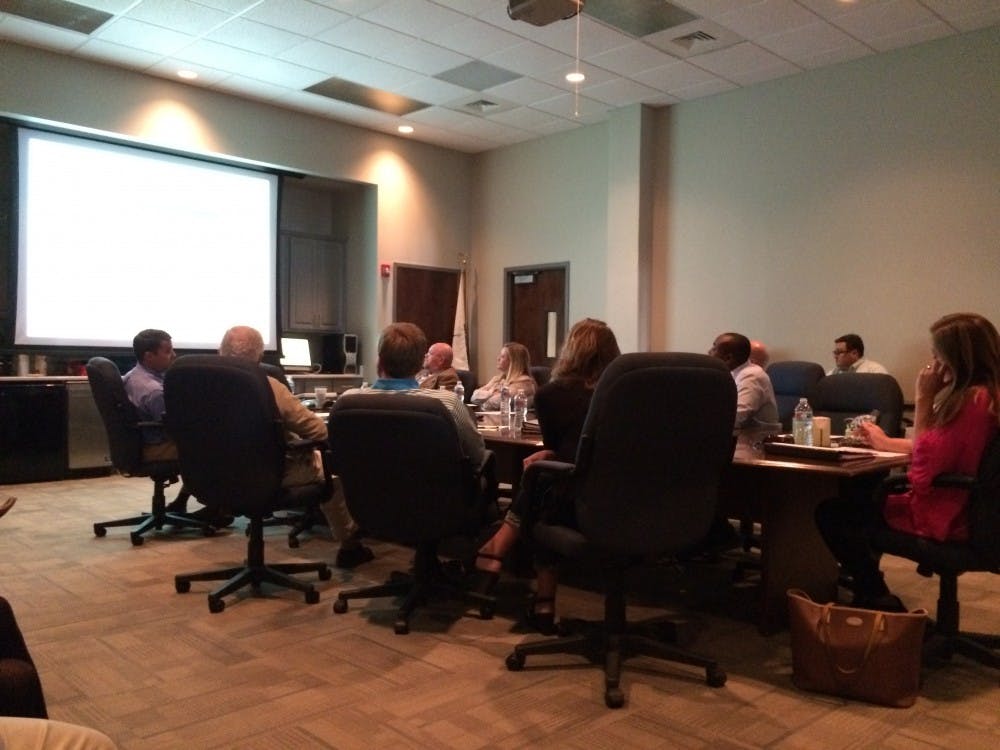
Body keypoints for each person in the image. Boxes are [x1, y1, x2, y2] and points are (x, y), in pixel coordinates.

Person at [815, 313, 1000, 611]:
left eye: (936, 353)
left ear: (954, 358)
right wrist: (887, 443)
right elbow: (949, 451)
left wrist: (923, 399)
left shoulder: (969, 402)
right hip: (982, 515)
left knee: (833, 512)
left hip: (953, 519)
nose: (932, 361)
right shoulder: (989, 398)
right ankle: (869, 591)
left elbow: (923, 474)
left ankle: (879, 598)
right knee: (857, 500)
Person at [473, 319, 621, 633]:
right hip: (636, 498)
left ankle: (542, 600)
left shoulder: (553, 394)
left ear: (571, 351)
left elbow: (563, 449)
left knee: (540, 484)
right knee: (541, 477)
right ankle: (513, 556)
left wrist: (549, 457)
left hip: (582, 503)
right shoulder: (627, 393)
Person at [218, 326, 373, 569]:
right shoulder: (266, 386)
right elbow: (317, 432)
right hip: (270, 473)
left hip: (215, 473)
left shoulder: (201, 384)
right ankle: (350, 546)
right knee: (334, 468)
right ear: (260, 356)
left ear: (220, 351)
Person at [340, 323, 486, 467]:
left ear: (379, 361)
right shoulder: (448, 404)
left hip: (365, 489)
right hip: (432, 489)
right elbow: (477, 454)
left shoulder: (346, 402)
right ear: (419, 365)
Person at [122, 329, 219, 524]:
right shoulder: (153, 390)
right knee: (218, 445)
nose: (174, 355)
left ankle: (181, 501)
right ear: (149, 356)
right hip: (156, 445)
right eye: (167, 351)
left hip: (141, 440)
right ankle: (218, 507)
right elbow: (176, 426)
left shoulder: (134, 375)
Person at [709, 332, 779, 432]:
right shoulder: (729, 373)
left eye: (714, 349)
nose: (709, 352)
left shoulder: (752, 376)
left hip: (756, 442)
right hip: (736, 438)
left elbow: (737, 417)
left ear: (728, 358)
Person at [470, 342, 536, 410]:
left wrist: (487, 394)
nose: (498, 358)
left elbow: (491, 404)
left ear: (513, 362)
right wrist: (492, 392)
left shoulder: (524, 383)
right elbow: (474, 398)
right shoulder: (497, 379)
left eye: (502, 357)